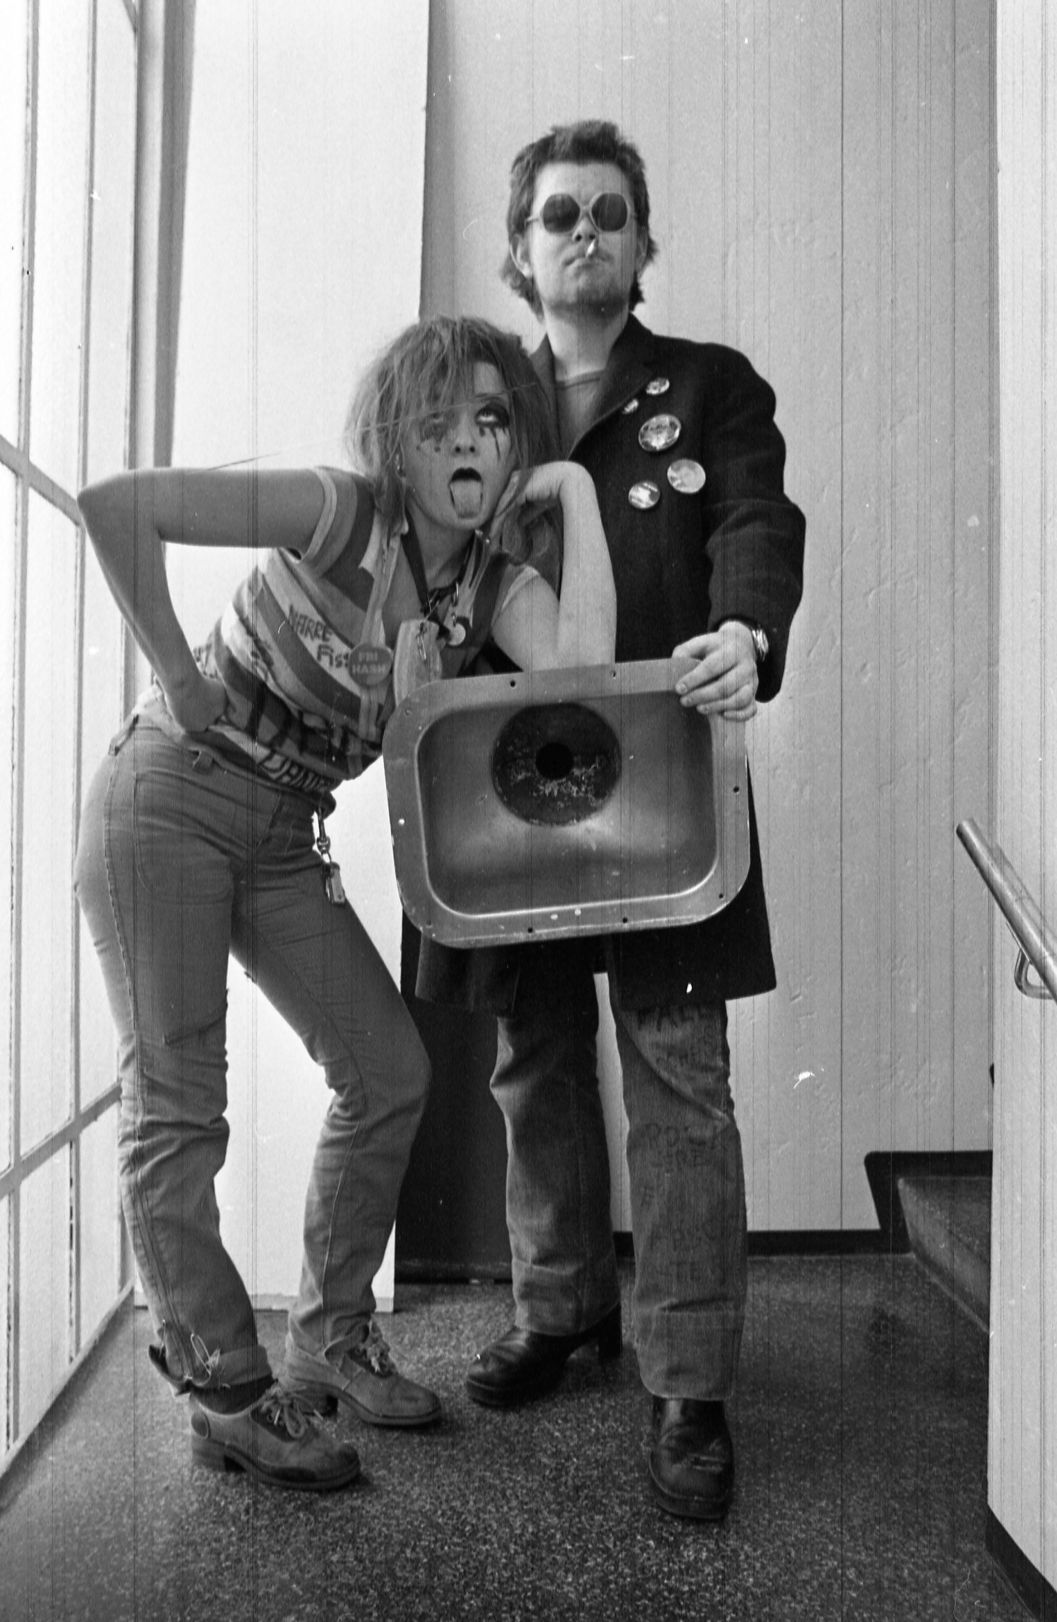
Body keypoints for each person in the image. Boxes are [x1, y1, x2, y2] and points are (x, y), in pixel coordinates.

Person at [74, 315, 615, 1494]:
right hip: (168, 799)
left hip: (281, 835)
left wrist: (571, 490)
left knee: (388, 1069)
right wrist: (177, 671)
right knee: (179, 1099)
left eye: (492, 420)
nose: (467, 442)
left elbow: (580, 682)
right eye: (440, 421)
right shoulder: (340, 511)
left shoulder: (488, 583)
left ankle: (328, 1335)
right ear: (395, 441)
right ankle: (226, 1388)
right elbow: (116, 504)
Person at [417, 122, 805, 1522]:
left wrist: (746, 628)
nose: (585, 232)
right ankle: (561, 1305)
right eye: (559, 215)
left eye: (609, 213)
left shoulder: (708, 385)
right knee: (530, 1053)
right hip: (507, 777)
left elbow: (755, 521)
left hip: (658, 777)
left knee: (677, 1068)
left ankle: (688, 1381)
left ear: (642, 243)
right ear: (519, 251)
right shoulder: (485, 399)